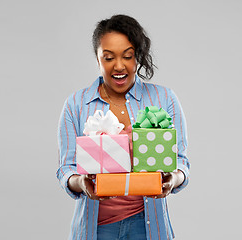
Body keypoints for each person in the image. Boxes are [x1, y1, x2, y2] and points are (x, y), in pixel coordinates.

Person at [57, 14, 190, 240]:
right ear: (97, 59)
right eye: (108, 58)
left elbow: (181, 161)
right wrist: (81, 182)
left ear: (137, 56)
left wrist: (173, 179)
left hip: (147, 225)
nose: (119, 66)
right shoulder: (76, 105)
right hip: (97, 228)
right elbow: (66, 169)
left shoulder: (164, 98)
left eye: (127, 56)